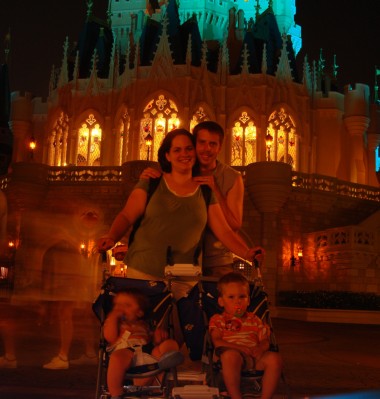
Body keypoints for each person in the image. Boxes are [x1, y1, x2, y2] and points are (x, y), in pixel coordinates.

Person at [96, 128, 261, 287]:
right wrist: (112, 236)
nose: (184, 154)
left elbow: (224, 232)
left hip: (185, 276)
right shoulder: (151, 182)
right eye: (177, 150)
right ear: (167, 155)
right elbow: (126, 215)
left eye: (189, 148)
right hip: (143, 271)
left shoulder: (205, 192)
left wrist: (247, 253)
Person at [141, 121, 250, 277]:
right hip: (181, 260)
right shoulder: (181, 168)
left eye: (213, 144)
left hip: (216, 262)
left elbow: (234, 225)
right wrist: (147, 178)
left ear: (219, 147)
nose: (207, 149)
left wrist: (215, 191)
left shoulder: (232, 178)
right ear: (194, 144)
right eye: (202, 143)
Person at [209, 272, 283, 399]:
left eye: (242, 297)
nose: (237, 301)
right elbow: (217, 341)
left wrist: (260, 348)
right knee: (230, 356)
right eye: (231, 297)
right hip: (231, 357)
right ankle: (236, 396)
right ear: (221, 301)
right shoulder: (218, 320)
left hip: (254, 357)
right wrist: (240, 349)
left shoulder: (255, 320)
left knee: (274, 358)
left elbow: (265, 341)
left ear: (248, 300)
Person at [104, 287, 179, 399]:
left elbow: (153, 341)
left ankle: (168, 357)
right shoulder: (116, 323)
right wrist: (112, 317)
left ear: (139, 313)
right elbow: (110, 337)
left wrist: (158, 336)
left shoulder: (144, 324)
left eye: (127, 305)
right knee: (117, 358)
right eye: (117, 305)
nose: (120, 309)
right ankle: (116, 393)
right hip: (125, 350)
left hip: (147, 351)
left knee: (169, 343)